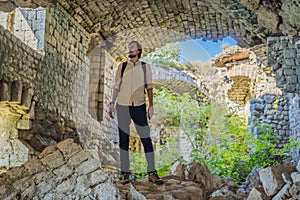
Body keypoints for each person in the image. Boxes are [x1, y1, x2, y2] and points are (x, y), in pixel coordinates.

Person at [109, 41, 163, 185]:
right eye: (128, 48)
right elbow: (116, 87)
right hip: (122, 106)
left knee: (146, 139)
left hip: (139, 106)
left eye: (132, 48)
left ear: (138, 50)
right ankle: (125, 174)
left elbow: (149, 87)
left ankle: (152, 173)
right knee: (123, 140)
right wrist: (111, 104)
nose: (129, 50)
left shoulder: (145, 68)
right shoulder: (122, 67)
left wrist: (151, 106)